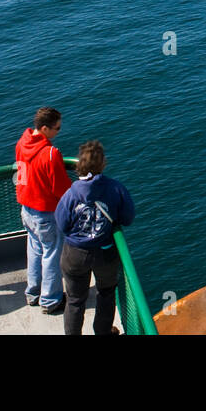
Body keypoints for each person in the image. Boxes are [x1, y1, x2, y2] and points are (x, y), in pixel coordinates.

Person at [55, 140, 135, 336]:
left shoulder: (71, 193)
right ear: (103, 164)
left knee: (75, 300)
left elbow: (61, 223)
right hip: (104, 252)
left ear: (79, 165)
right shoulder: (115, 189)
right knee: (106, 294)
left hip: (74, 253)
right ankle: (103, 332)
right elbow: (128, 218)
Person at [15, 106, 72, 313]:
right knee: (52, 255)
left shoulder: (21, 143)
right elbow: (60, 189)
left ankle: (33, 293)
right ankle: (50, 300)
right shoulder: (50, 154)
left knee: (34, 250)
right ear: (46, 128)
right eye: (57, 128)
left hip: (26, 208)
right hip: (46, 213)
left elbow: (21, 175)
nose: (59, 132)